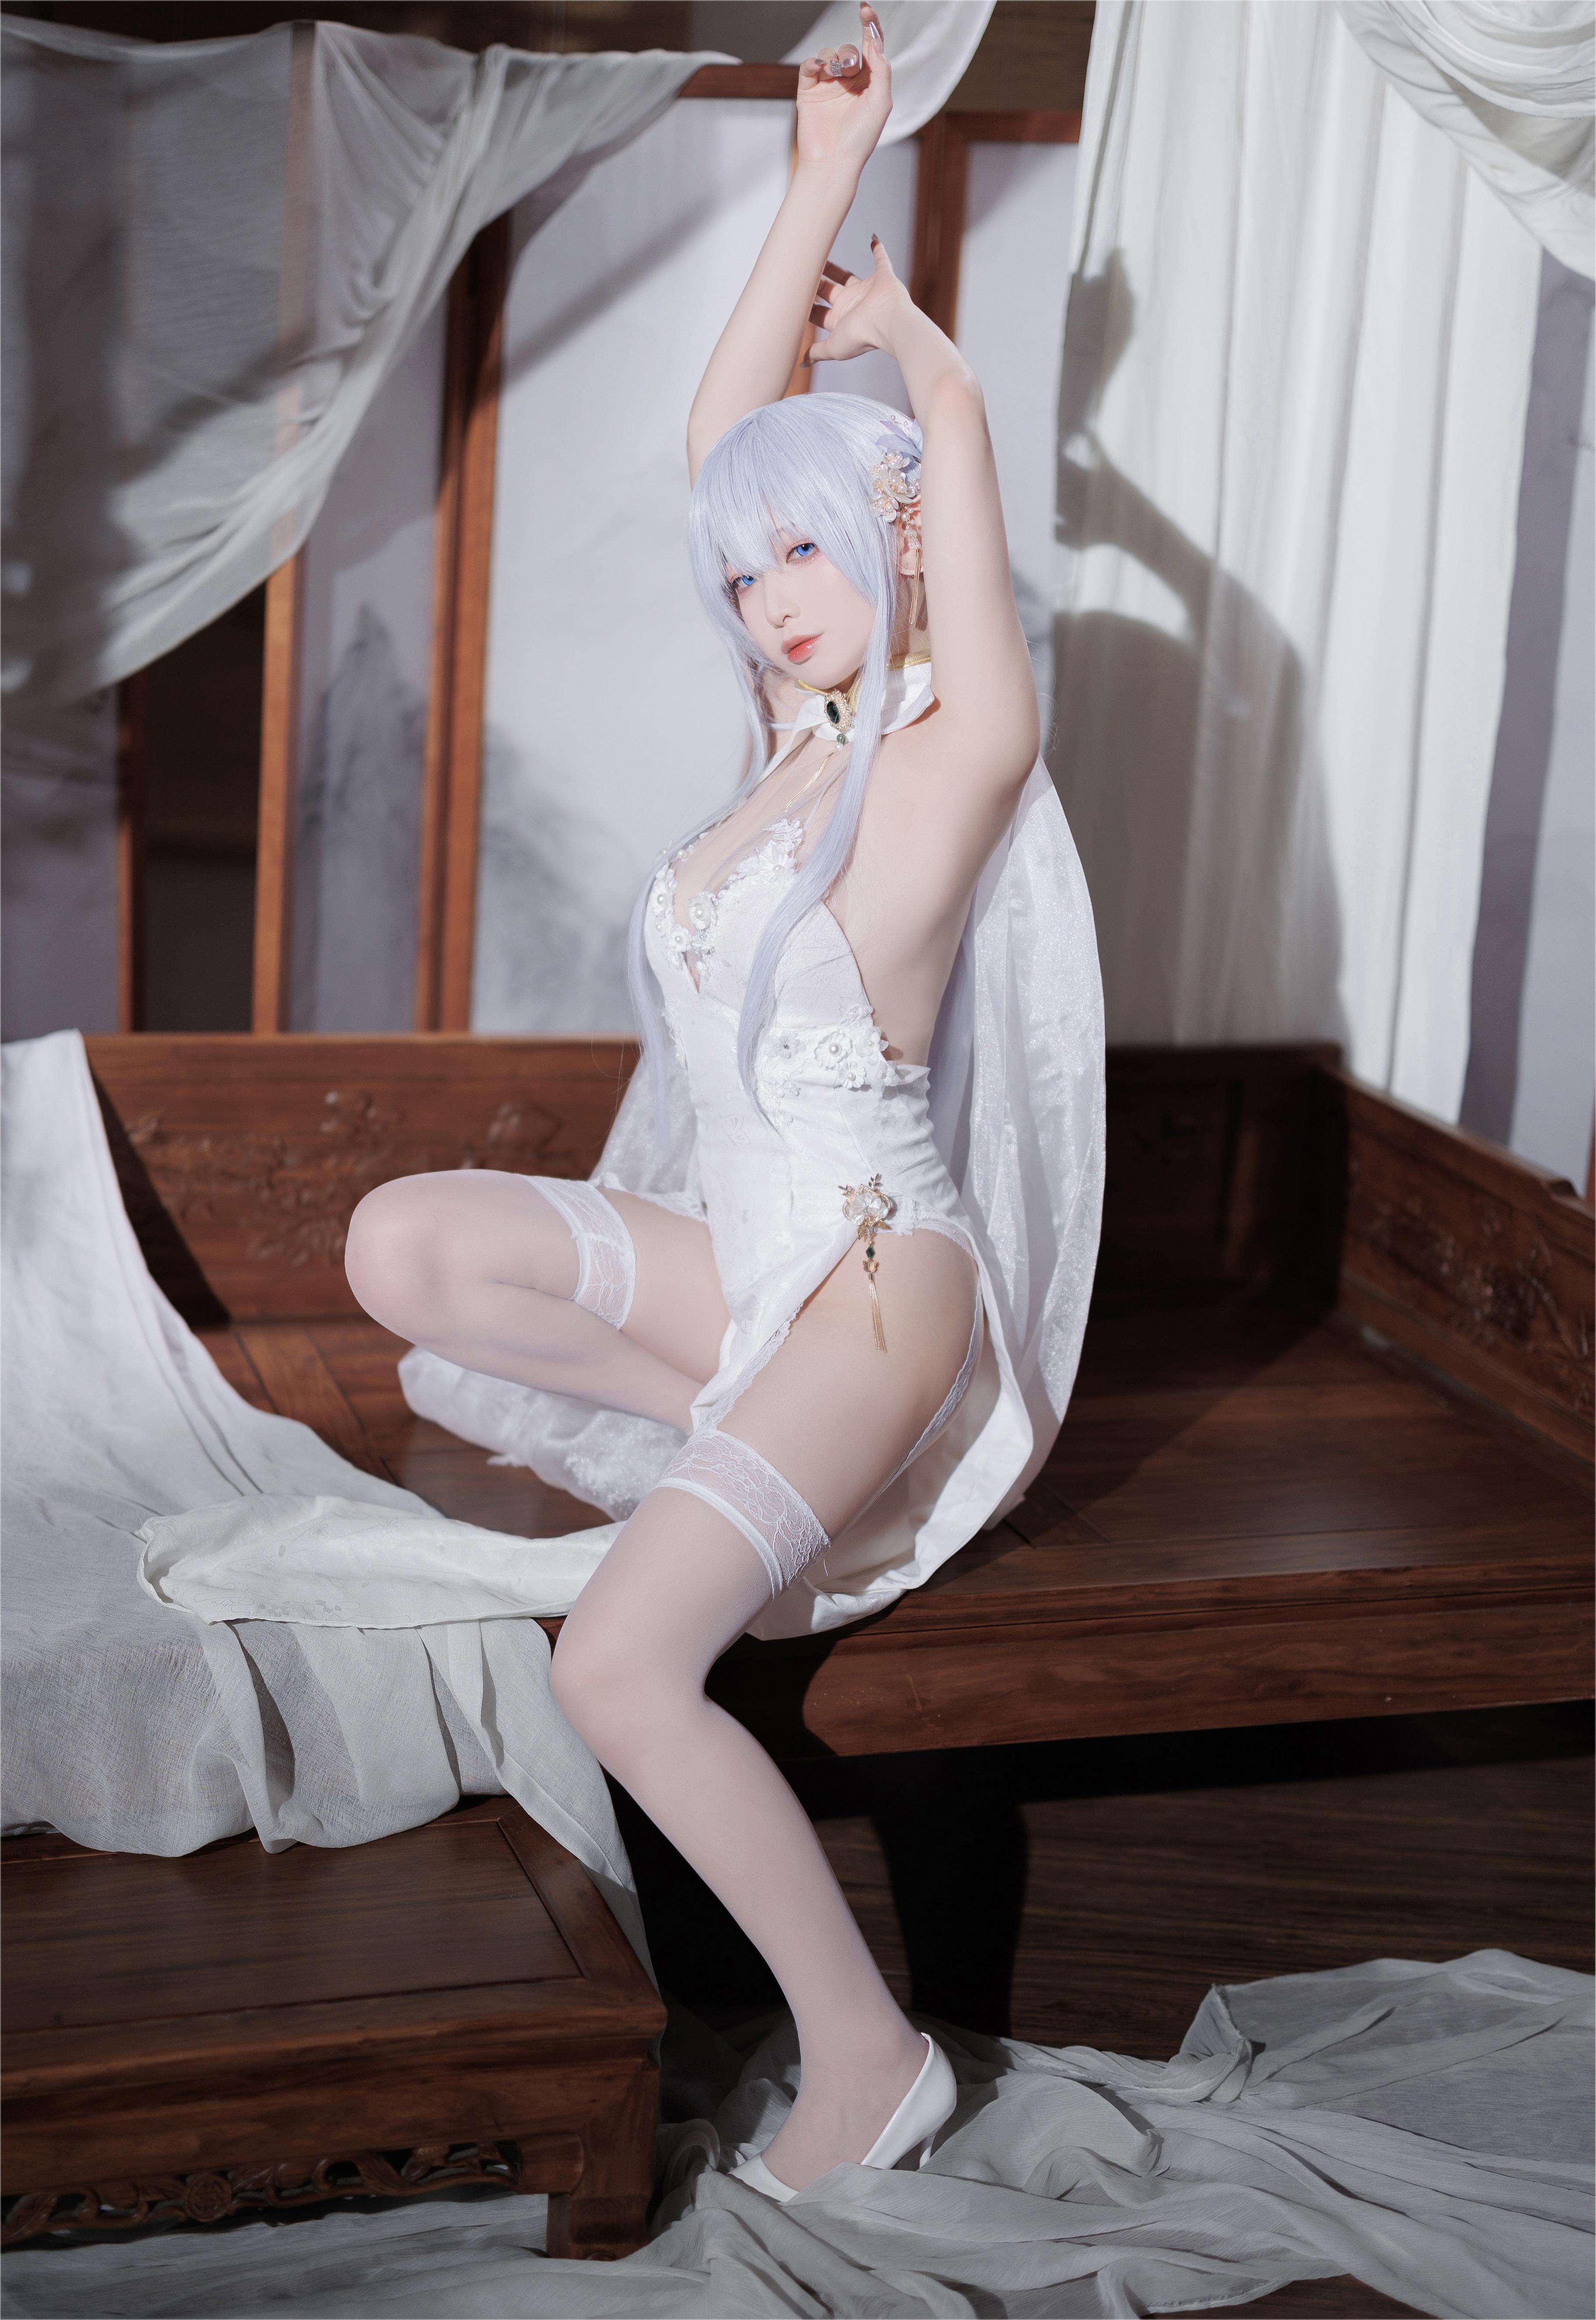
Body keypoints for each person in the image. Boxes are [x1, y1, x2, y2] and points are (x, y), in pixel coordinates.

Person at [345, 3, 1102, 2197]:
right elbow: (722, 438)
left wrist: (930, 364)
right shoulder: (787, 744)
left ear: (900, 549)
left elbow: (942, 485)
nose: (773, 602)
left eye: (811, 557)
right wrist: (817, 175)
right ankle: (757, 1476)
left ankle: (868, 2054)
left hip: (874, 1281)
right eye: (748, 572)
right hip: (751, 1267)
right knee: (408, 1249)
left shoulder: (947, 766)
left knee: (618, 1669)